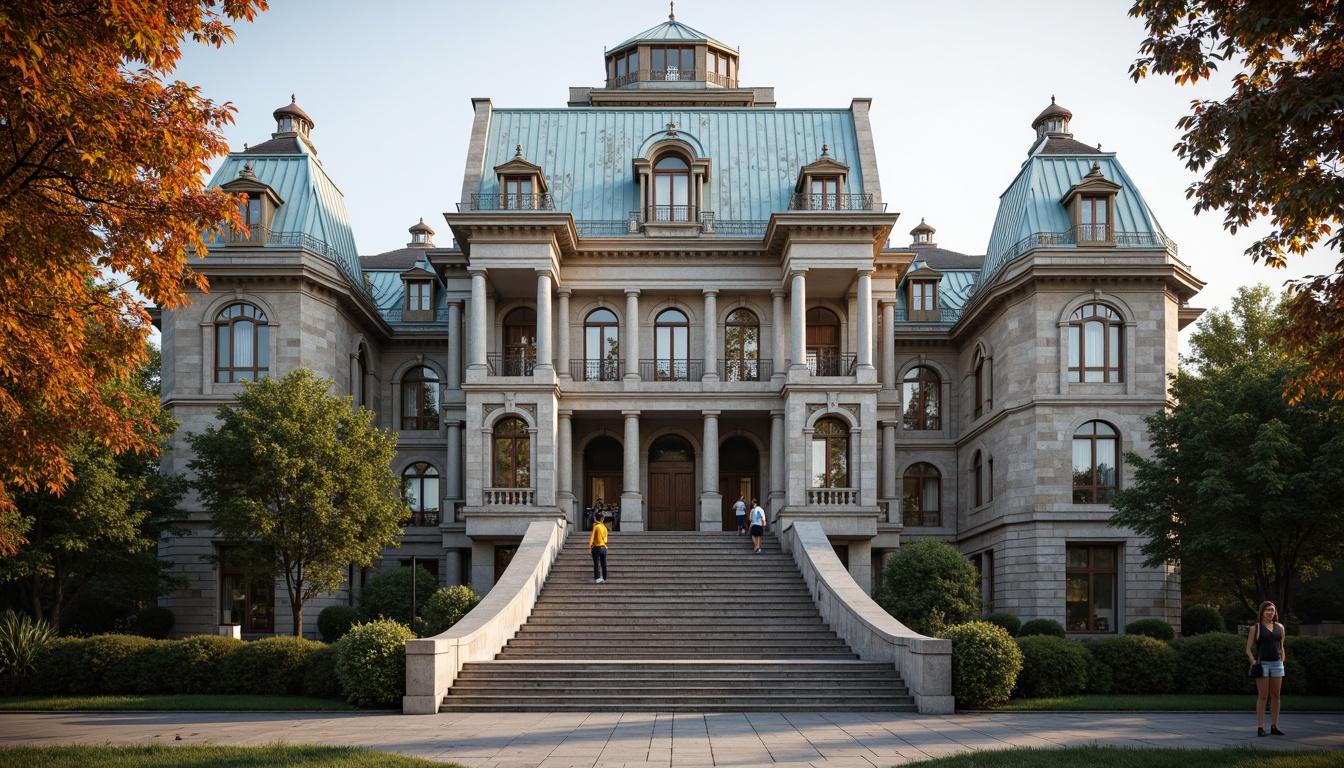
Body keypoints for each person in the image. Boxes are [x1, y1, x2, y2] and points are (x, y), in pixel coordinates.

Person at [1246, 600, 1286, 737]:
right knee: (1263, 695)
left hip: (1277, 664)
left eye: (1273, 610)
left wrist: (1282, 660)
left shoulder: (1280, 627)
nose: (1270, 612)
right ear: (1262, 612)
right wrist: (1253, 661)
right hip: (1262, 664)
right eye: (1268, 610)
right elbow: (1248, 649)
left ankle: (1274, 726)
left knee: (1276, 695)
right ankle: (1261, 727)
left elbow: (1281, 646)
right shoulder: (1255, 628)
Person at [589, 510, 609, 584]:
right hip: (604, 547)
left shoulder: (596, 527)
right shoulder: (604, 527)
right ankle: (604, 577)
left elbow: (592, 538)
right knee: (604, 563)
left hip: (596, 547)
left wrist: (590, 547)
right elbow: (606, 539)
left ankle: (597, 577)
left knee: (597, 563)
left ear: (596, 518)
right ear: (602, 519)